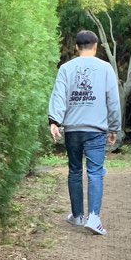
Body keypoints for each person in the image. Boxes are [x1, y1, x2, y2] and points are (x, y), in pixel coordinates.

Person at [48, 29, 121, 236]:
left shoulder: (66, 68)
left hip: (72, 129)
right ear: (95, 46)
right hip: (96, 129)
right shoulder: (105, 68)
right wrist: (114, 127)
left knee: (74, 171)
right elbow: (113, 99)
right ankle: (94, 217)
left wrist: (54, 121)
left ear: (76, 47)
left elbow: (59, 95)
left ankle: (78, 215)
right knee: (95, 172)